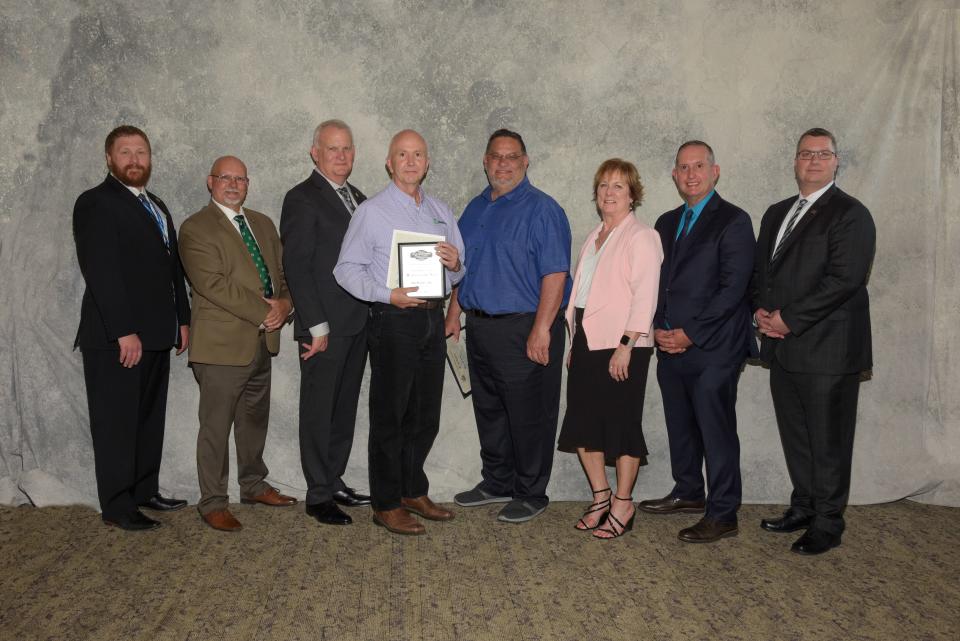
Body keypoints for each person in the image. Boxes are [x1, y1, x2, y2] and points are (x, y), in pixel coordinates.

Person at [333, 129, 465, 536]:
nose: (411, 161)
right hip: (392, 320)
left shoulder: (441, 212)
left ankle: (412, 490)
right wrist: (387, 295)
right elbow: (345, 270)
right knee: (390, 415)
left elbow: (461, 271)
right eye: (402, 154)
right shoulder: (371, 212)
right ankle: (386, 502)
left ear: (427, 163)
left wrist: (456, 261)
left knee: (425, 415)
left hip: (431, 318)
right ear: (389, 163)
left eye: (418, 154)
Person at [752, 127, 875, 555]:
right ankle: (803, 506)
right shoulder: (777, 212)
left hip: (828, 351)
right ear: (795, 161)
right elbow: (761, 274)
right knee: (797, 437)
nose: (814, 160)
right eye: (806, 153)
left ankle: (828, 522)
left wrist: (789, 319)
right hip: (784, 349)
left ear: (836, 161)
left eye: (824, 154)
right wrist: (760, 312)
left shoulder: (851, 214)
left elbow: (845, 280)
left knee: (828, 441)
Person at [446, 129, 572, 524]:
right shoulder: (475, 208)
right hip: (480, 328)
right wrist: (454, 311)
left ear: (525, 161)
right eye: (496, 157)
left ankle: (531, 491)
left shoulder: (543, 210)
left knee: (529, 414)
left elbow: (555, 273)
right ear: (485, 162)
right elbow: (462, 266)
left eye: (512, 156)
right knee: (491, 409)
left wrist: (542, 329)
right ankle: (497, 479)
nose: (503, 163)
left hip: (524, 328)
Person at [73, 125, 191, 531]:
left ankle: (144, 491)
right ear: (109, 159)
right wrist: (123, 331)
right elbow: (101, 271)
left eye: (141, 152)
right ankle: (118, 505)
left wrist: (183, 320)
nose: (135, 160)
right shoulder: (96, 203)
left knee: (147, 420)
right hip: (117, 338)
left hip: (158, 333)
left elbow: (172, 268)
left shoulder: (155, 204)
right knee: (117, 423)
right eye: (125, 152)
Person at [639, 140, 757, 544]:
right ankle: (689, 491)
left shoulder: (734, 221)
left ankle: (723, 512)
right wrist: (656, 327)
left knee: (715, 428)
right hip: (669, 343)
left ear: (715, 170)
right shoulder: (666, 222)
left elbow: (733, 289)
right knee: (681, 425)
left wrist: (691, 333)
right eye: (683, 168)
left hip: (715, 346)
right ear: (674, 175)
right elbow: (654, 283)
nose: (691, 174)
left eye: (699, 166)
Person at [178, 156, 297, 532]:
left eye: (240, 179)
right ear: (209, 181)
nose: (233, 184)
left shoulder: (261, 223)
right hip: (220, 346)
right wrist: (265, 312)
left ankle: (253, 485)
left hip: (262, 342)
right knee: (215, 426)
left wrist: (285, 304)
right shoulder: (195, 228)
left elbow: (281, 276)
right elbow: (212, 284)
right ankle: (213, 502)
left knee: (253, 421)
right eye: (225, 178)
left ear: (248, 184)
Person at [557, 159, 663, 539]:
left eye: (618, 186)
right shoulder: (594, 236)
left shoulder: (642, 237)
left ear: (632, 194)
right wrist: (574, 343)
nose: (609, 192)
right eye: (603, 185)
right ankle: (600, 497)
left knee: (621, 425)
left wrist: (626, 345)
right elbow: (582, 295)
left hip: (623, 343)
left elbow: (645, 297)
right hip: (587, 339)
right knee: (584, 425)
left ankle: (623, 502)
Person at [280, 120, 371, 527]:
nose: (340, 156)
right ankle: (317, 495)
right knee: (319, 411)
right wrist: (316, 325)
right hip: (324, 329)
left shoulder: (360, 198)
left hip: (358, 323)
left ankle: (333, 480)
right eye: (332, 149)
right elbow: (296, 266)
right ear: (314, 152)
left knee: (343, 409)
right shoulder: (301, 198)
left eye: (347, 149)